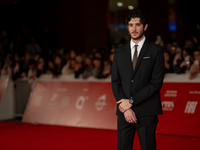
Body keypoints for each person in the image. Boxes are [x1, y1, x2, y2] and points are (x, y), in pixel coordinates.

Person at [111, 9, 164, 150]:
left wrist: (131, 102)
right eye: (130, 25)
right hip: (124, 111)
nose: (134, 29)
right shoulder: (119, 51)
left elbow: (156, 83)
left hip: (147, 110)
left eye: (138, 24)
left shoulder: (156, 50)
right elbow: (115, 82)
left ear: (145, 26)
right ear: (127, 26)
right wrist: (125, 108)